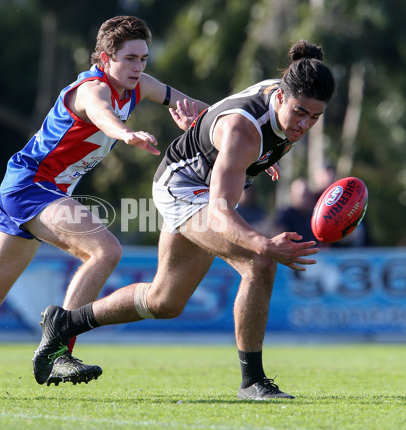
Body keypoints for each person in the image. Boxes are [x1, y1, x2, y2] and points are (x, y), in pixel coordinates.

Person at [0, 15, 208, 394]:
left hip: (37, 190)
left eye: (143, 58)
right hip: (31, 185)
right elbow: (102, 116)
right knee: (105, 251)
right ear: (103, 58)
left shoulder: (139, 86)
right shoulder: (91, 90)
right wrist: (125, 134)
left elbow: (190, 105)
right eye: (129, 58)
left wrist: (233, 127)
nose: (138, 67)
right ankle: (58, 350)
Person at [33, 40, 336, 400]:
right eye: (300, 112)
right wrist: (264, 243)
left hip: (207, 187)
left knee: (164, 302)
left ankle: (64, 322)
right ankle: (253, 382)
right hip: (184, 188)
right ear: (281, 96)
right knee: (259, 262)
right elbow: (221, 213)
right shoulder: (244, 132)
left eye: (315, 117)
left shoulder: (288, 102)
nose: (304, 124)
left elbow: (231, 133)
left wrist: (254, 156)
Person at [274, 177, 316, 244]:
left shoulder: (314, 215)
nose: (307, 198)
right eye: (304, 195)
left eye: (309, 195)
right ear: (293, 195)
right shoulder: (286, 216)